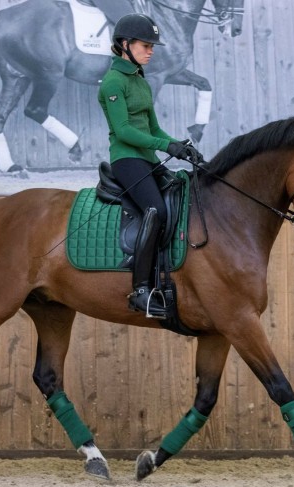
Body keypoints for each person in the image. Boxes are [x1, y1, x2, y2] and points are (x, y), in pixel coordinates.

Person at [98, 13, 203, 319]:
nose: (151, 50)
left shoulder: (140, 81)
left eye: (151, 45)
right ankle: (141, 290)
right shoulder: (113, 82)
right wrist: (165, 146)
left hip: (148, 159)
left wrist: (179, 147)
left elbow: (153, 129)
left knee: (180, 199)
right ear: (125, 45)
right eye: (146, 45)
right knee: (154, 210)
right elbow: (124, 131)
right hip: (127, 161)